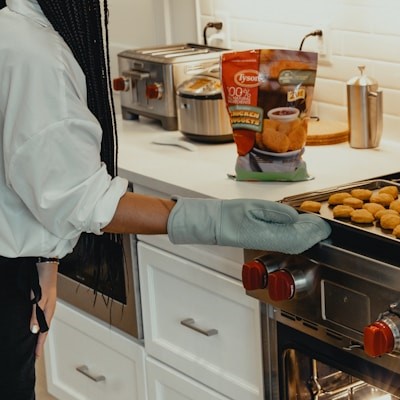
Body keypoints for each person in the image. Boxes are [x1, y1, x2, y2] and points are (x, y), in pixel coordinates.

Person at [0, 0, 331, 398]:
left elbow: (26, 165)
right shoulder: (33, 52)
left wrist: (45, 259)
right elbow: (84, 200)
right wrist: (217, 220)